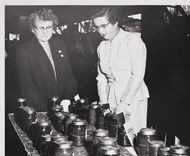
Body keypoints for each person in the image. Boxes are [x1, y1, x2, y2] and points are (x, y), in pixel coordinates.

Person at [91, 7, 149, 135]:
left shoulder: (132, 40)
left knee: (131, 138)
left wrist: (124, 103)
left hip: (132, 98)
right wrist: (104, 101)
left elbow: (138, 75)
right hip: (111, 96)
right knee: (113, 137)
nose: (100, 31)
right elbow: (101, 77)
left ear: (115, 22)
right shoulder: (102, 46)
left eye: (104, 26)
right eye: (97, 27)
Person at [16, 8, 78, 111]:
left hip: (63, 104)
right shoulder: (24, 50)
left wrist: (68, 99)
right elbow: (26, 87)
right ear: (32, 29)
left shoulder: (60, 44)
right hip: (41, 107)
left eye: (48, 27)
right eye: (41, 28)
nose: (45, 32)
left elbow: (69, 76)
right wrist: (42, 110)